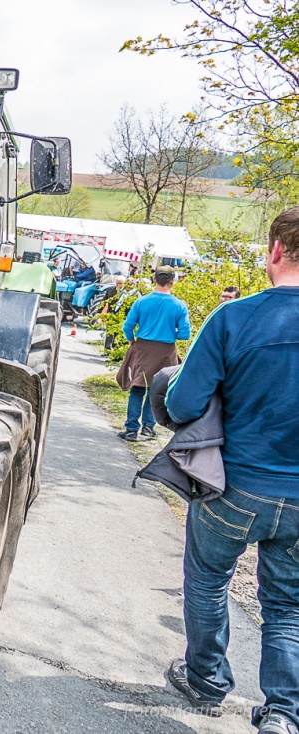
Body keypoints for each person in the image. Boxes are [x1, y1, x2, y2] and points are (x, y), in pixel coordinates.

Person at [162, 208, 299, 734]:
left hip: (235, 488)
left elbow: (181, 404)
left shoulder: (233, 318)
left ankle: (206, 678)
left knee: (208, 578)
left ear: (275, 251)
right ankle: (284, 714)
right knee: (288, 603)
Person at [115, 265, 190, 442]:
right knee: (155, 389)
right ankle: (148, 427)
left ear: (154, 280)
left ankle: (131, 429)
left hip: (142, 348)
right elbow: (185, 334)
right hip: (166, 352)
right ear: (173, 281)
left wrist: (132, 341)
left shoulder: (142, 302)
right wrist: (170, 334)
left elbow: (127, 326)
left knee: (137, 389)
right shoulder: (179, 305)